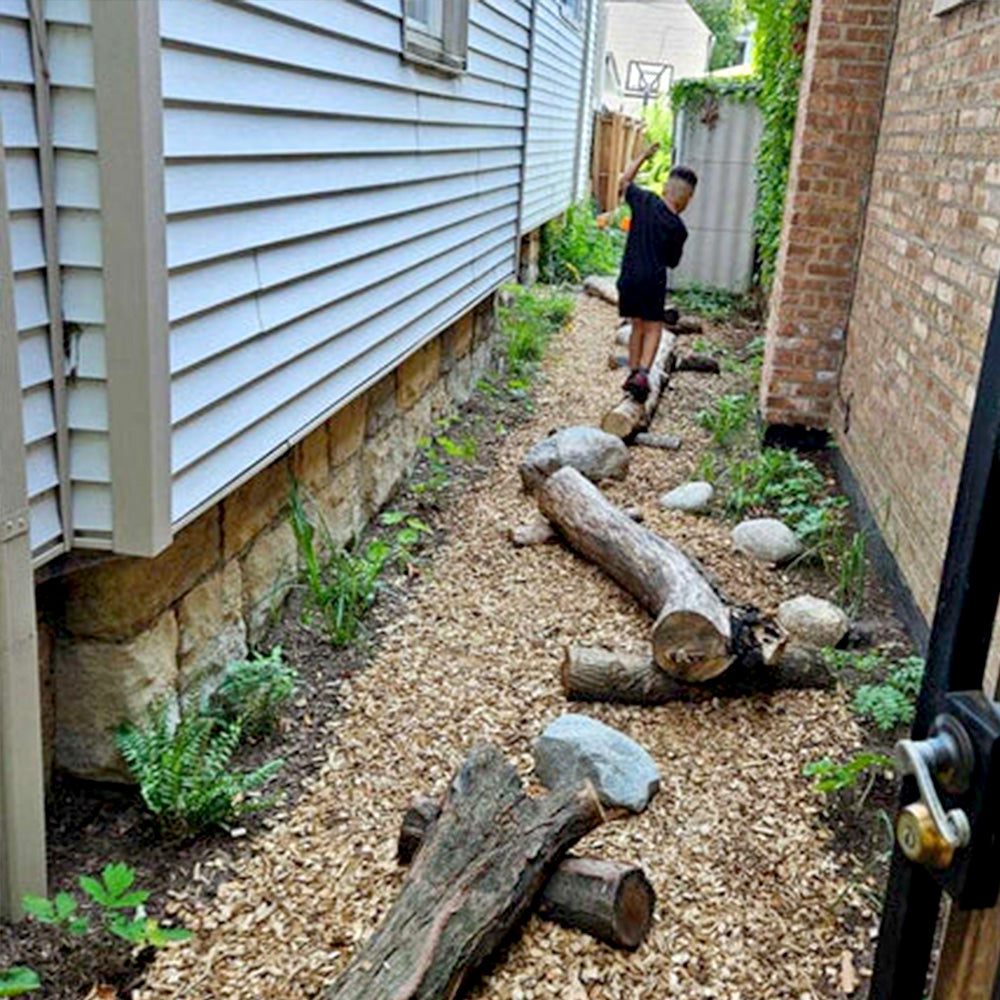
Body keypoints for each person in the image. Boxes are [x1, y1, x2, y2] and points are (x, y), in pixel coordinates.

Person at [615, 145, 698, 402]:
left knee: (636, 325)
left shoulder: (645, 200)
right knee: (654, 328)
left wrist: (642, 156)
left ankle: (632, 373)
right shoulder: (678, 228)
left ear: (665, 189)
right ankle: (643, 374)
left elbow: (623, 181)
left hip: (628, 277)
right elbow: (672, 262)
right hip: (653, 281)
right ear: (687, 198)